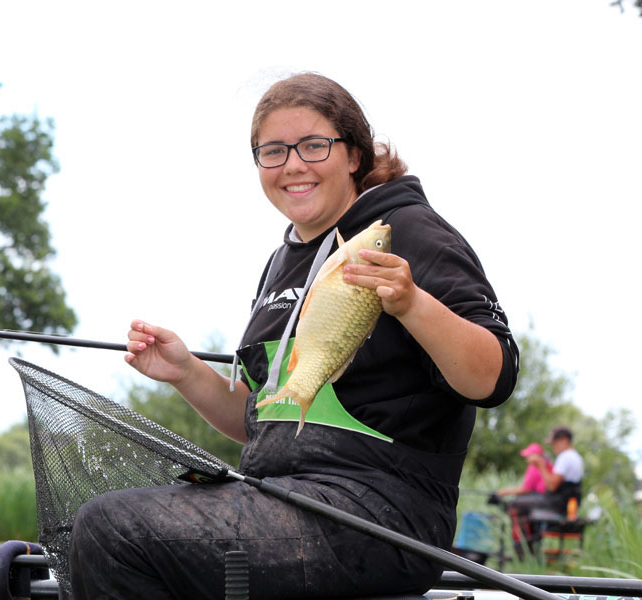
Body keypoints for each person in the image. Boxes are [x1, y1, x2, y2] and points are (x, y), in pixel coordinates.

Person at [68, 72, 520, 599]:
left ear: (354, 154)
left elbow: (494, 377)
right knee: (96, 527)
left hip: (382, 516)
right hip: (280, 497)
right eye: (273, 151)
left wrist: (412, 302)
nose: (293, 165)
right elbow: (262, 421)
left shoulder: (408, 229)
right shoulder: (283, 261)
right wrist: (187, 372)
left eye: (313, 145)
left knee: (112, 530)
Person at [494, 442, 552, 554]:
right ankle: (526, 543)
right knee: (516, 505)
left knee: (513, 505)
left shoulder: (535, 467)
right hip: (544, 498)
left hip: (540, 498)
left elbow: (526, 489)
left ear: (536, 456)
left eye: (529, 456)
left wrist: (504, 492)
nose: (527, 459)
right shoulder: (545, 464)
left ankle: (521, 543)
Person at [528, 425, 584, 514]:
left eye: (554, 443)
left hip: (559, 504)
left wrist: (540, 465)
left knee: (518, 505)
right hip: (571, 502)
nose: (553, 446)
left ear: (564, 440)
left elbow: (552, 486)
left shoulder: (565, 456)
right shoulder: (577, 456)